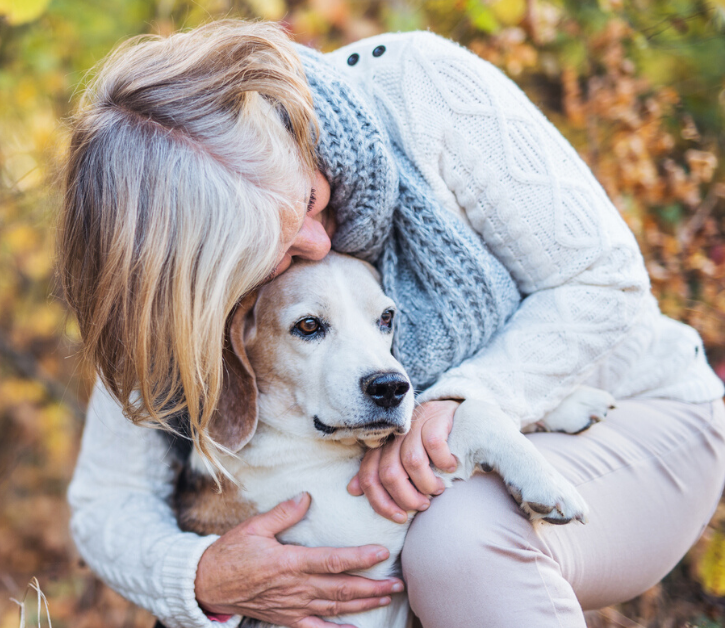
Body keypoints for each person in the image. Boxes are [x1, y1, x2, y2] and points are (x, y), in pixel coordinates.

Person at [59, 20, 725, 628]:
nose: (320, 243)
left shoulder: (422, 88)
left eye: (311, 201)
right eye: (275, 253)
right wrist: (200, 576)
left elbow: (603, 283)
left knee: (455, 536)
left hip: (639, 416)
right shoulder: (183, 291)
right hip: (398, 490)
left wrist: (463, 401)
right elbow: (109, 499)